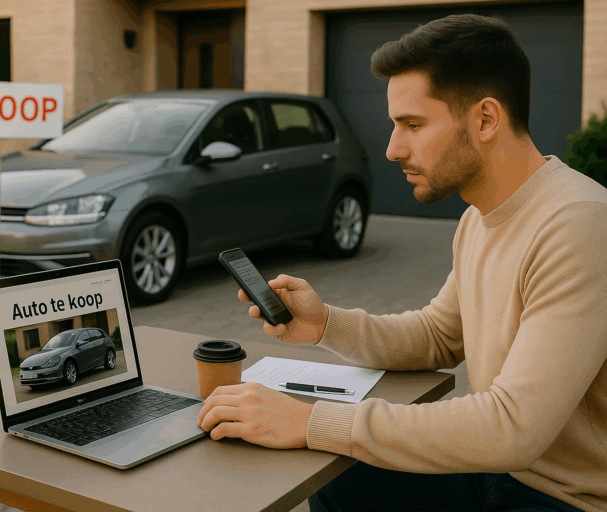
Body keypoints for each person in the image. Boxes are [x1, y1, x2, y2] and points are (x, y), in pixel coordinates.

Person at [195, 13, 607, 512]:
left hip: (566, 499)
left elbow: (513, 426)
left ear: (485, 119)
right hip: (494, 475)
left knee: (324, 442)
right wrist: (325, 324)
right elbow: (438, 335)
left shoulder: (580, 224)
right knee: (337, 475)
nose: (392, 149)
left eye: (413, 124)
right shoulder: (478, 219)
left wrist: (308, 421)